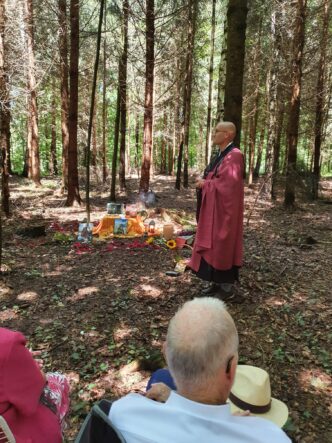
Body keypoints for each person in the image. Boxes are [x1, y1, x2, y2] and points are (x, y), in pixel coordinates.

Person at [109, 297, 290, 442]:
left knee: (160, 376)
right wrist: (237, 428)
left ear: (166, 354)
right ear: (232, 369)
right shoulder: (270, 437)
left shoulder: (123, 412)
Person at [189, 121, 244, 301]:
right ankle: (214, 283)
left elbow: (228, 185)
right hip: (213, 209)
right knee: (211, 243)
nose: (214, 134)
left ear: (228, 134)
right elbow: (214, 176)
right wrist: (204, 181)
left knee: (223, 243)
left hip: (224, 211)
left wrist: (206, 184)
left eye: (217, 131)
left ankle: (227, 289)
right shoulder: (220, 154)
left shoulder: (234, 155)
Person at [0, 327, 70, 443]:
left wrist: (18, 361)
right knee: (60, 381)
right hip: (18, 434)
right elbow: (38, 383)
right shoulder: (6, 343)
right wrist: (25, 364)